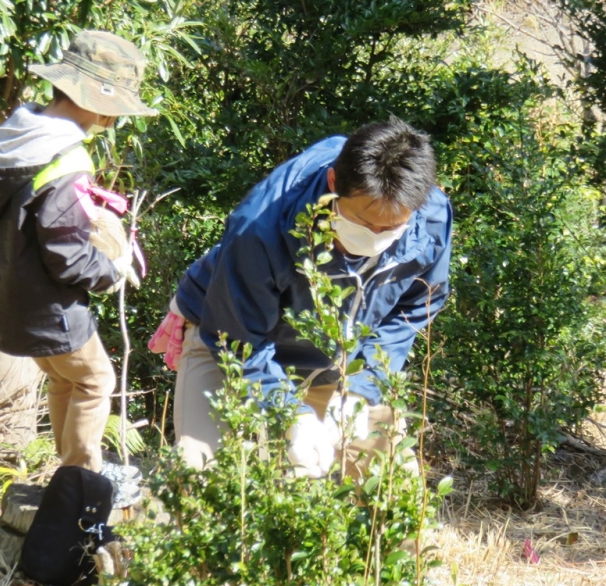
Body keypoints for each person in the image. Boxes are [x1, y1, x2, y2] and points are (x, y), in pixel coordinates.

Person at [150, 117, 451, 478]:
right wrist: (294, 414)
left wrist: (360, 387)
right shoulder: (260, 228)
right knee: (201, 471)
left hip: (340, 361)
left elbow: (417, 304)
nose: (375, 236)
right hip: (229, 338)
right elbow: (237, 338)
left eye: (390, 228)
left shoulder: (430, 216)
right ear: (333, 183)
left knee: (389, 484)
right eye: (363, 223)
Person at [0, 30, 156, 483]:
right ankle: (80, 476)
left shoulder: (11, 138)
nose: (114, 119)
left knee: (66, 381)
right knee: (96, 382)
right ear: (94, 99)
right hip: (49, 307)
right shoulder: (64, 158)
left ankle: (68, 470)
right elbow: (67, 257)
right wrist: (110, 270)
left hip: (4, 300)